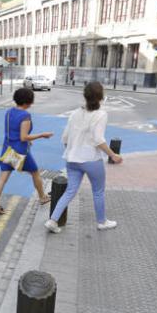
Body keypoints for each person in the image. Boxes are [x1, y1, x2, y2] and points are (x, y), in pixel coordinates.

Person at [44, 81, 122, 234]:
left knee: (70, 191)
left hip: (72, 160)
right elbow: (98, 139)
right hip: (91, 160)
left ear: (85, 96)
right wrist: (113, 155)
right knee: (98, 191)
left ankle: (52, 220)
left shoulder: (75, 113)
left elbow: (65, 138)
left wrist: (73, 151)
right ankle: (102, 222)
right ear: (100, 96)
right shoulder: (101, 114)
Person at [0, 88, 54, 215]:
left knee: (3, 178)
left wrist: (27, 140)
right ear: (27, 101)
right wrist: (42, 135)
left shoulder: (9, 112)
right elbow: (23, 137)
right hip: (19, 152)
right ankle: (43, 197)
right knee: (35, 172)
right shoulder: (25, 115)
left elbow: (13, 131)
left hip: (7, 149)